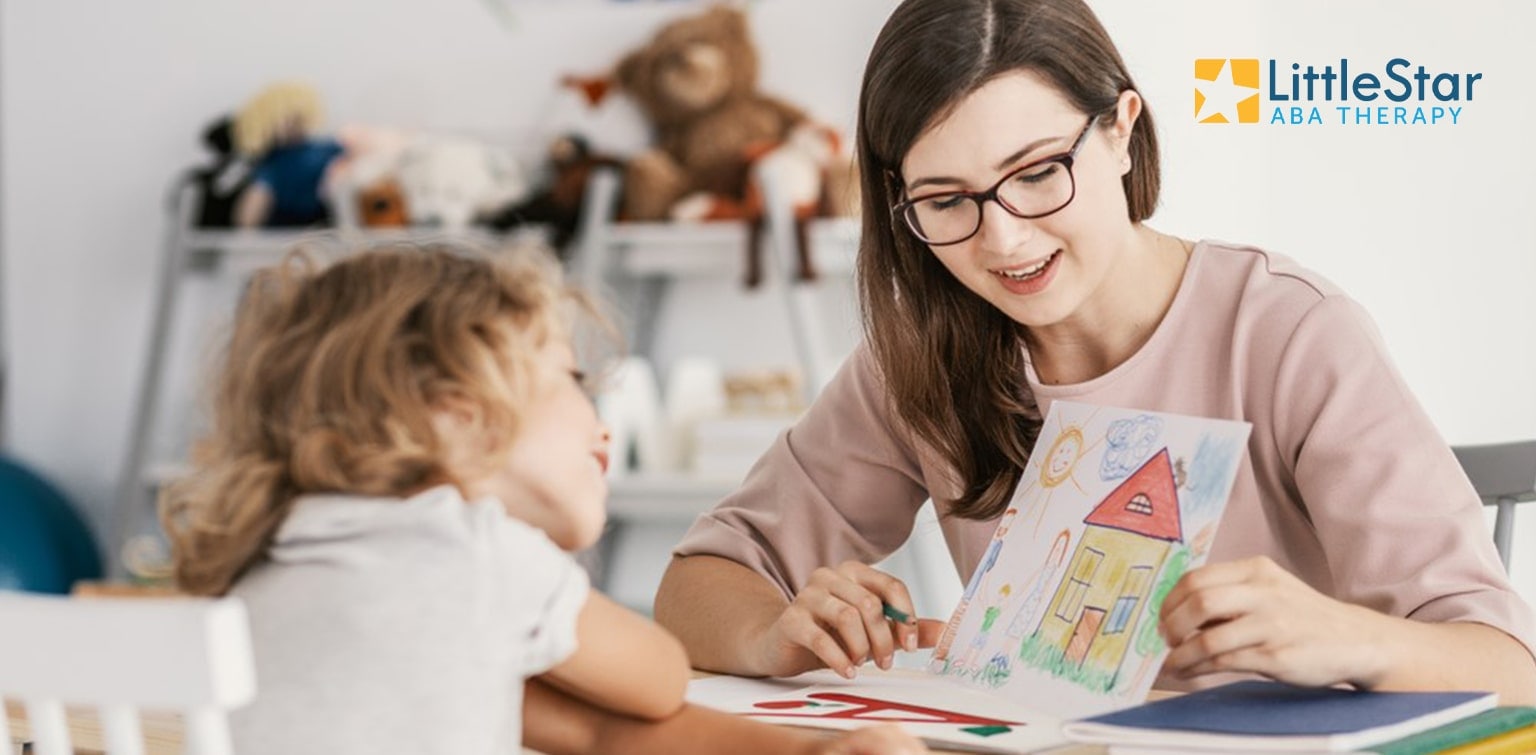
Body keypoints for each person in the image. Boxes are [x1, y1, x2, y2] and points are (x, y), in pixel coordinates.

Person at [654, 0, 1536, 703]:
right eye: (946, 199)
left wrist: (1350, 636)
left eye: (1038, 172)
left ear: (1119, 130)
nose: (1002, 239)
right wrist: (774, 631)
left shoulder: (1288, 331)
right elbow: (701, 583)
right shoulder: (921, 355)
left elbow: (1508, 665)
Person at [160, 242, 928, 754]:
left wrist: (815, 749)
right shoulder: (478, 553)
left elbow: (592, 731)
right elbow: (659, 679)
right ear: (456, 413)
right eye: (572, 379)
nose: (600, 416)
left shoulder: (271, 560)